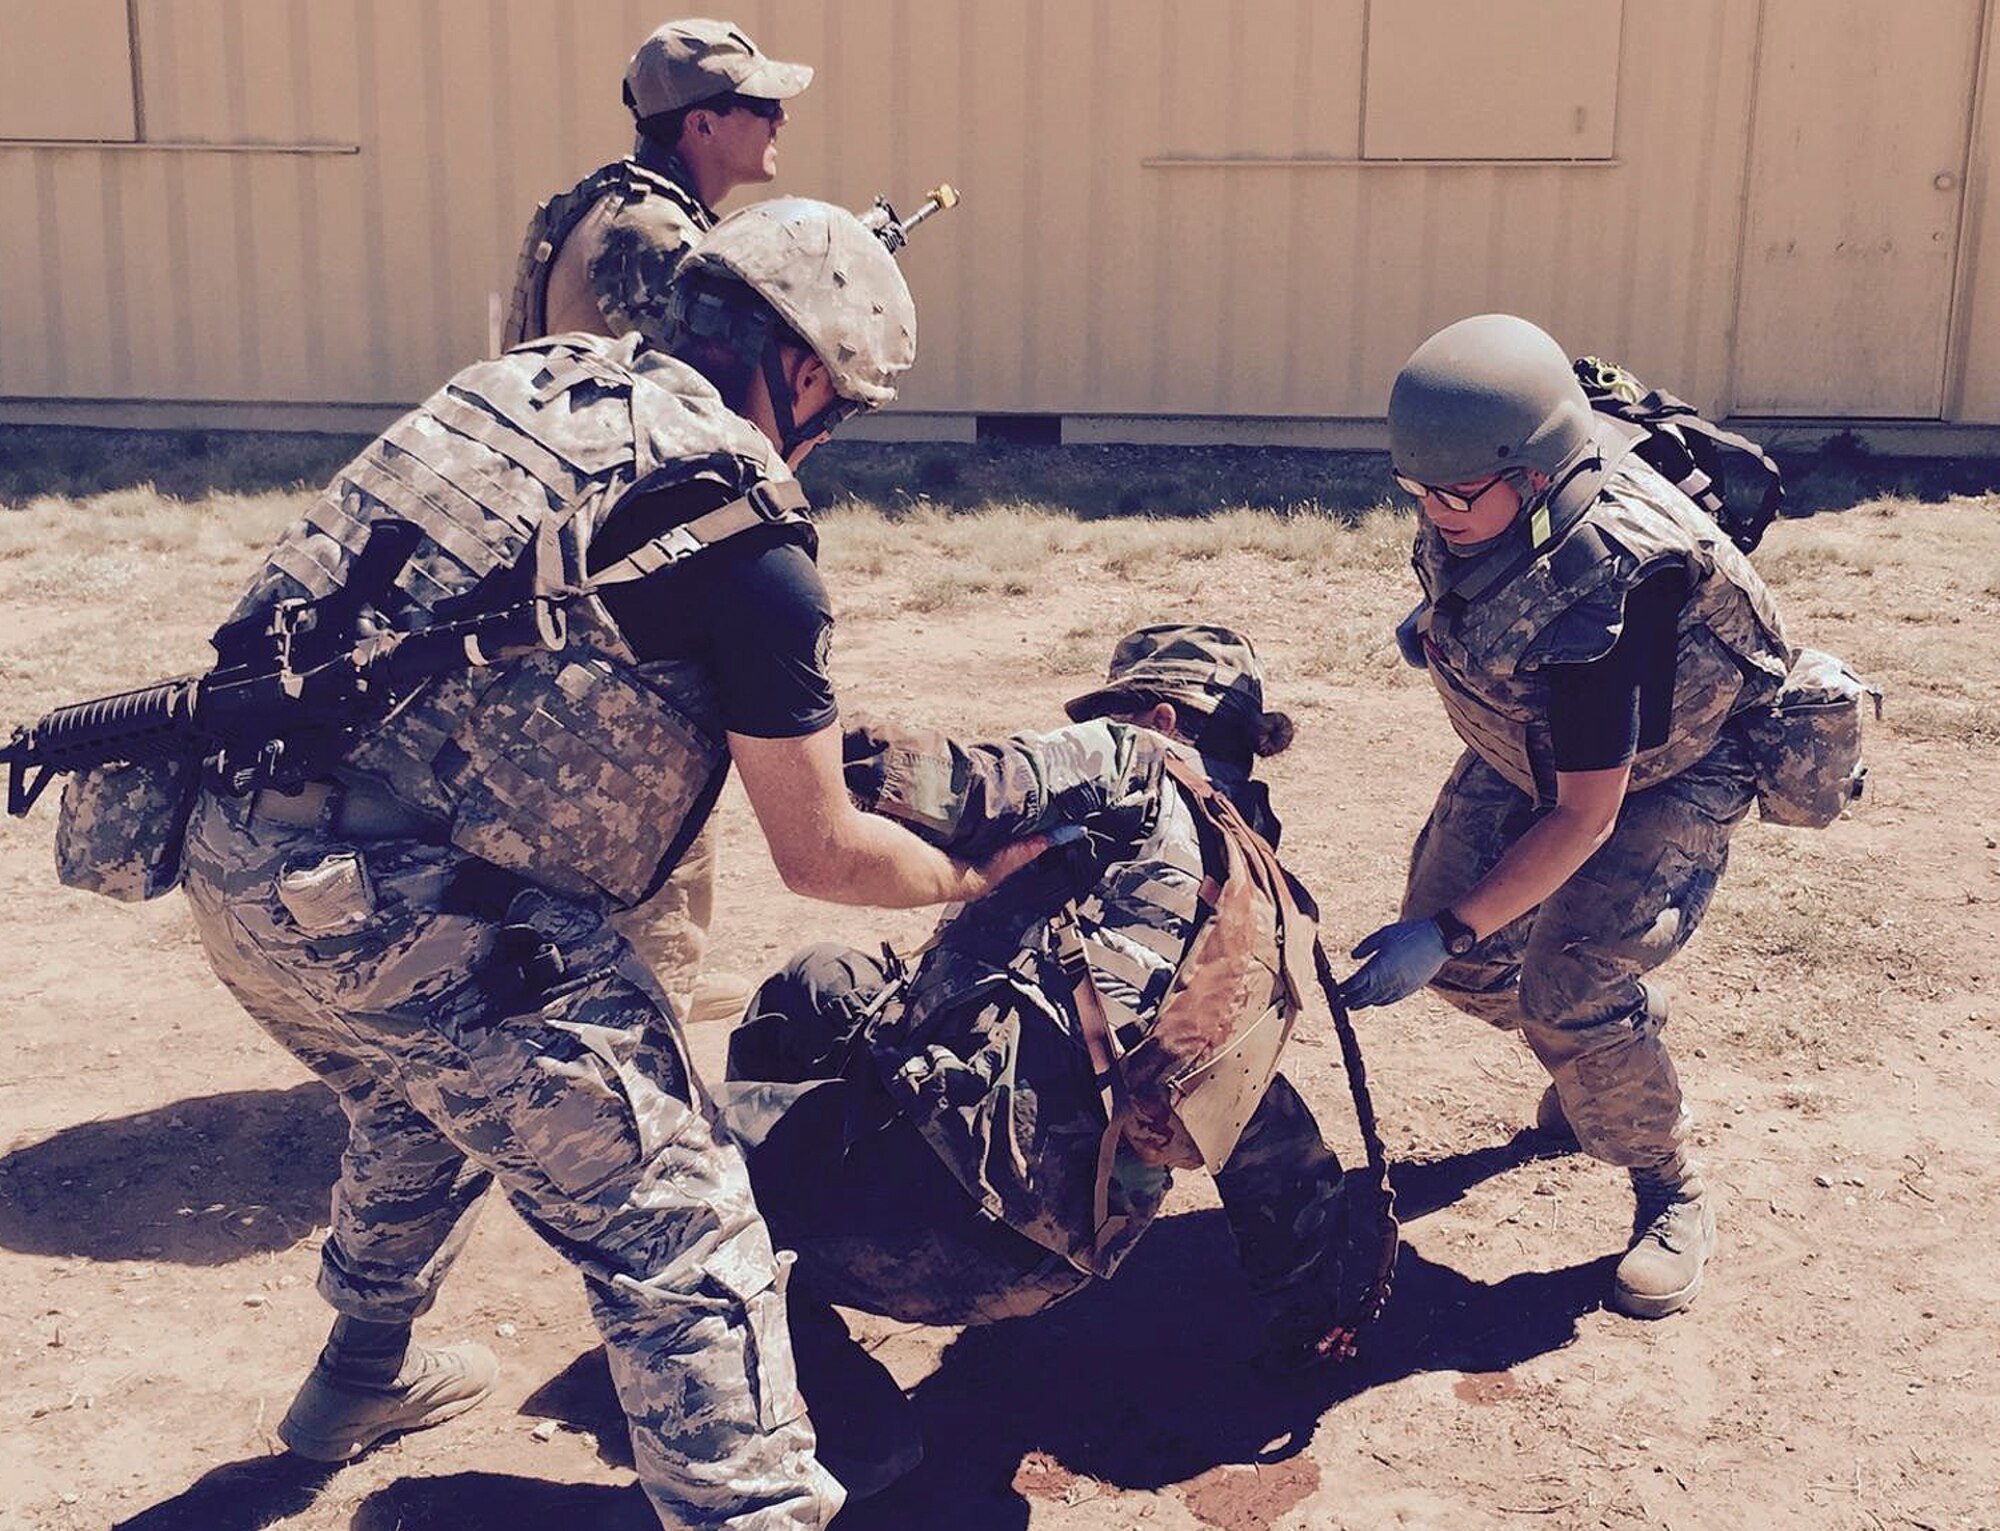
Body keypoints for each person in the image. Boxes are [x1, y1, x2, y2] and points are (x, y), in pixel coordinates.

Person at [146, 200, 1044, 1531]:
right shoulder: (749, 545)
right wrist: (976, 874)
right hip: (399, 906)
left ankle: (356, 1379)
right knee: (687, 1232)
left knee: (421, 1090)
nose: (825, 434)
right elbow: (824, 854)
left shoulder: (516, 383)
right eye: (841, 406)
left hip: (235, 864)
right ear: (802, 370)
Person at [721, 625, 1359, 1495]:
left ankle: (830, 1415)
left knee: (652, 1165)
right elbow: (1265, 1125)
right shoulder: (1253, 898)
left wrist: (768, 713)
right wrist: (1311, 1309)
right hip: (1073, 1246)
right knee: (821, 979)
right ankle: (786, 1245)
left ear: (1162, 714)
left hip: (931, 1214)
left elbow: (949, 784)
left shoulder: (1136, 757)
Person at [1341, 311, 1801, 1320]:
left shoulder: (1610, 592)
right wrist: (1440, 613)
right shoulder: (1489, 486)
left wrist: (1451, 924)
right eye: (1417, 492)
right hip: (1526, 738)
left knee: (1563, 987)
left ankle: (1667, 1184)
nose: (1434, 510)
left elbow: (1585, 815)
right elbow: (1477, 562)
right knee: (1463, 966)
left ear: (1539, 473)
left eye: (1457, 494)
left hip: (1664, 766)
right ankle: (1599, 1048)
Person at [502, 16, 813, 1026]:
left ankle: (656, 967)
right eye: (761, 105)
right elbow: (712, 393)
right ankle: (654, 994)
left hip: (572, 522)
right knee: (666, 752)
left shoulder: (604, 205)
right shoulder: (651, 234)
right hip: (617, 540)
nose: (778, 119)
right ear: (703, 123)